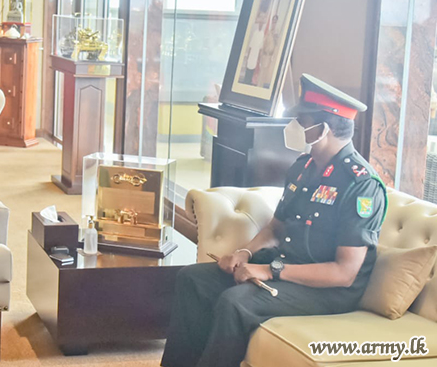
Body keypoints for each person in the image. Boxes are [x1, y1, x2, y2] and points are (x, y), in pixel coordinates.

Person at [161, 74, 387, 367]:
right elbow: (275, 228)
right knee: (192, 280)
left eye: (302, 121)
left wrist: (270, 270)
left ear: (323, 129)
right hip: (286, 266)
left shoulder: (360, 185)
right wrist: (245, 253)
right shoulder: (303, 168)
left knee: (235, 303)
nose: (294, 126)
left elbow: (344, 273)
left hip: (327, 290)